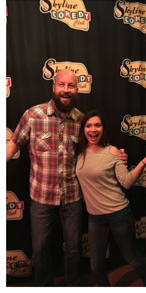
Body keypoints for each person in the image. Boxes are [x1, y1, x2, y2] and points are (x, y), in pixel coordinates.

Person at [6, 69, 127, 286]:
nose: (66, 90)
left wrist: (118, 155)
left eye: (71, 86)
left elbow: (97, 150)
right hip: (41, 197)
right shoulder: (33, 115)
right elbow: (13, 144)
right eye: (61, 85)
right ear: (53, 87)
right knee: (41, 250)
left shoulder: (82, 121)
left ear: (77, 89)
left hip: (72, 198)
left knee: (73, 249)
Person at [75, 109, 146, 286]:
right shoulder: (78, 152)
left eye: (97, 125)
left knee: (134, 259)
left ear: (103, 128)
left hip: (119, 214)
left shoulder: (112, 151)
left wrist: (144, 163)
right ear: (83, 129)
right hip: (95, 218)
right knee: (96, 267)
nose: (93, 130)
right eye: (89, 125)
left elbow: (127, 182)